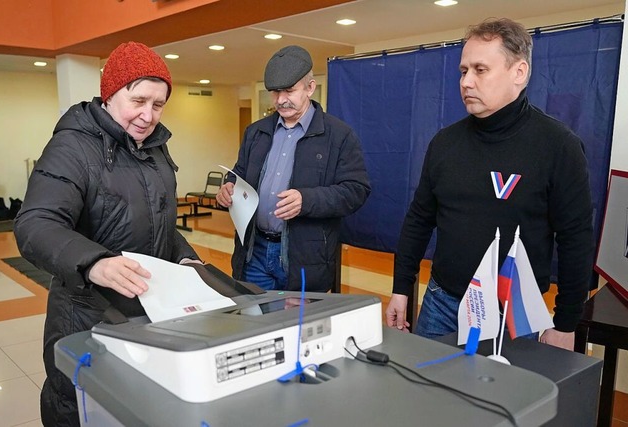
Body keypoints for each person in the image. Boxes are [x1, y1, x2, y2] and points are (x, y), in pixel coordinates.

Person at [14, 41, 203, 426]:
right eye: (138, 101)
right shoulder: (73, 146)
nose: (147, 115)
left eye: (158, 105)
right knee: (81, 407)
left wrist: (183, 256)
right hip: (85, 316)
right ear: (111, 93)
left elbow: (159, 221)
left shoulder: (155, 149)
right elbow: (35, 224)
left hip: (147, 314)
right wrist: (95, 262)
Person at [385, 18, 593, 351]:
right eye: (463, 71)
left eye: (480, 70)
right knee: (426, 399)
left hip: (513, 314)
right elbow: (419, 219)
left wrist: (566, 323)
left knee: (505, 403)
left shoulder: (558, 146)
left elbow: (576, 240)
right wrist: (400, 287)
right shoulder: (444, 143)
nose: (466, 81)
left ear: (519, 73)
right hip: (442, 304)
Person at [216, 45, 370, 292]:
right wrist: (229, 185)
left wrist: (306, 200)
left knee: (298, 327)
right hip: (254, 251)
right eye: (274, 92)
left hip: (304, 257)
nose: (280, 100)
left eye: (289, 90)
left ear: (310, 88)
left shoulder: (339, 135)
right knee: (256, 325)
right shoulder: (256, 132)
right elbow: (239, 172)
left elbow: (356, 190)